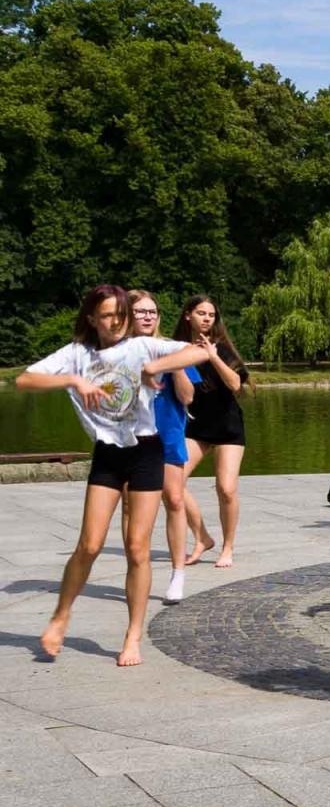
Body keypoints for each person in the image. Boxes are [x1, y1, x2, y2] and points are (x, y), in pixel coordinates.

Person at [18, 285, 211, 665]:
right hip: (108, 455)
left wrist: (156, 367)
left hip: (146, 451)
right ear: (92, 318)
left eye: (121, 315)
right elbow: (25, 379)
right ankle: (61, 615)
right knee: (89, 544)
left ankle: (133, 635)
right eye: (108, 315)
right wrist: (72, 381)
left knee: (137, 548)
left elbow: (199, 351)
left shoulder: (141, 347)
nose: (117, 322)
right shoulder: (76, 355)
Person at [122, 291, 204, 606]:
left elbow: (187, 398)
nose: (147, 316)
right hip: (131, 438)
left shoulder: (172, 349)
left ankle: (177, 573)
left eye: (152, 311)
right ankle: (135, 565)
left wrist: (174, 367)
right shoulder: (119, 351)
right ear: (127, 315)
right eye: (140, 311)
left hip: (168, 433)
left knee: (174, 498)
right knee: (130, 506)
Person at [174, 296, 249, 569]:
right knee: (172, 483)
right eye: (201, 313)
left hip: (228, 425)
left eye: (211, 315)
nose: (207, 318)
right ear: (187, 316)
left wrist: (213, 355)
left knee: (226, 488)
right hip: (196, 426)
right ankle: (202, 537)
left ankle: (228, 547)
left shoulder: (224, 349)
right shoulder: (177, 349)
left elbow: (235, 385)